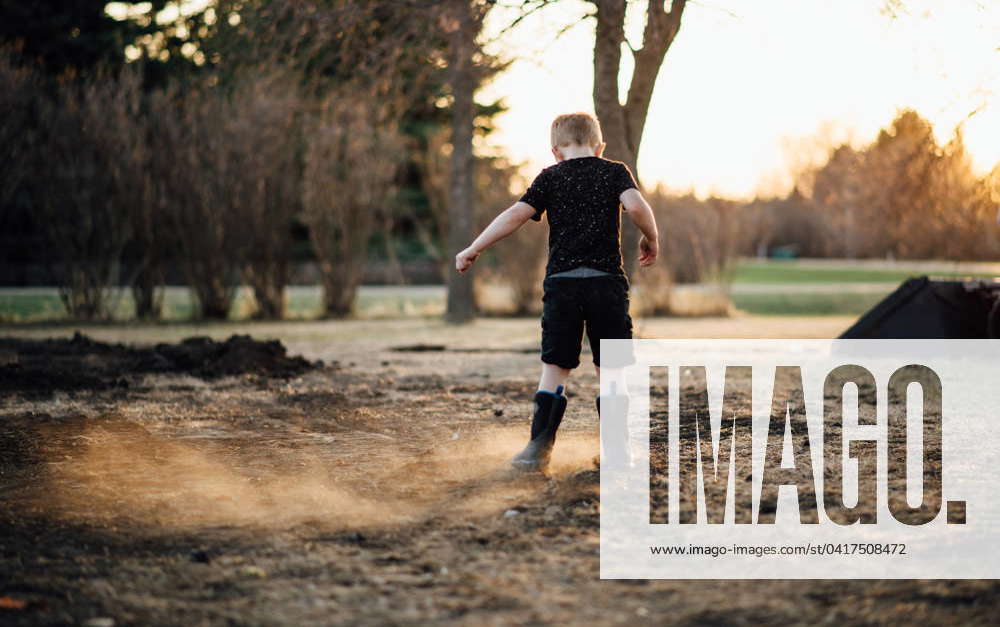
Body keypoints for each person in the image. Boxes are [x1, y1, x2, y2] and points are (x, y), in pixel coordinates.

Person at [455, 112, 659, 472]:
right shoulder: (614, 171)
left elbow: (514, 215)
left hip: (562, 284)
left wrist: (474, 247)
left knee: (554, 367)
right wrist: (651, 238)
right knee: (611, 370)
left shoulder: (550, 177)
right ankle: (617, 453)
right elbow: (637, 207)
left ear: (555, 151)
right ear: (599, 146)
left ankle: (536, 451)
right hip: (606, 283)